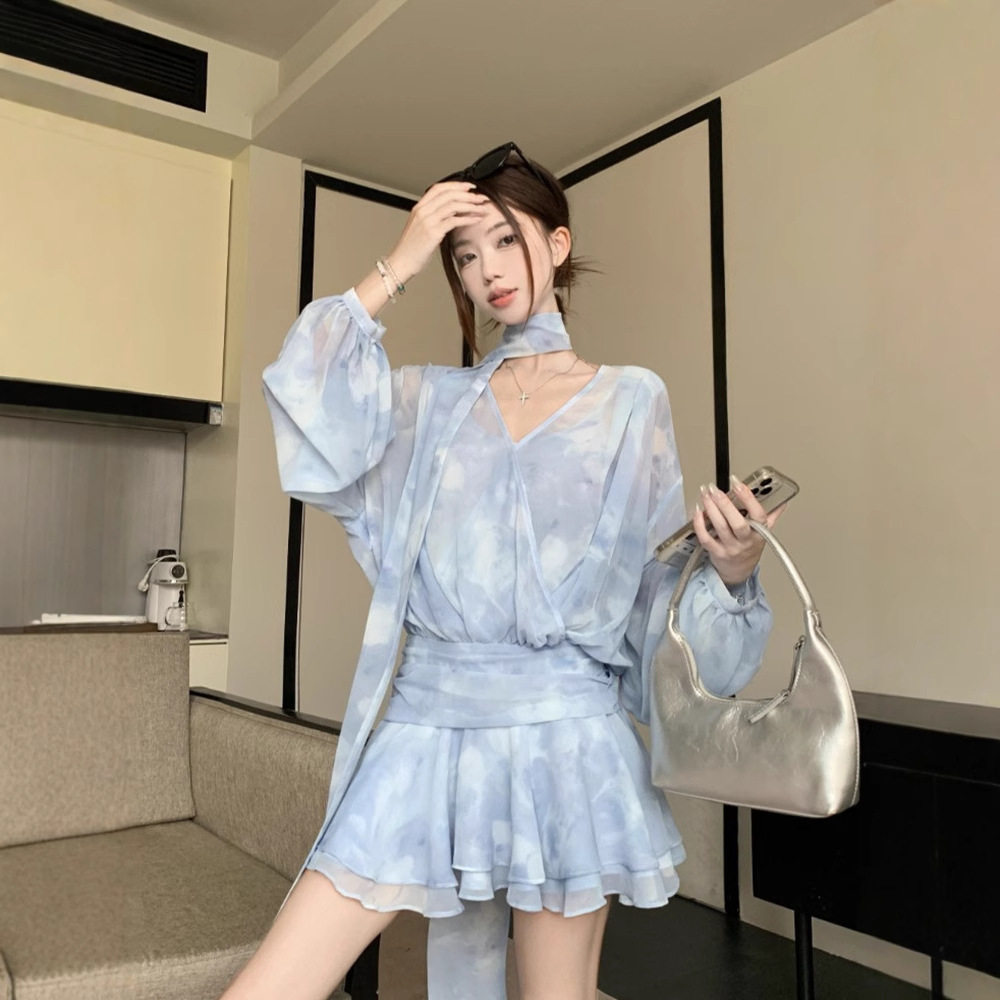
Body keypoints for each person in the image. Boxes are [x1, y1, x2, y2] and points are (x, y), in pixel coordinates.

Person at [222, 142, 778, 1000]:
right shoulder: (423, 403)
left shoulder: (631, 400)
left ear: (557, 243)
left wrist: (733, 572)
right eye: (463, 254)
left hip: (568, 740)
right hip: (426, 729)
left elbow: (649, 608)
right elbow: (305, 392)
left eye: (506, 241)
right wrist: (402, 258)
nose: (486, 270)